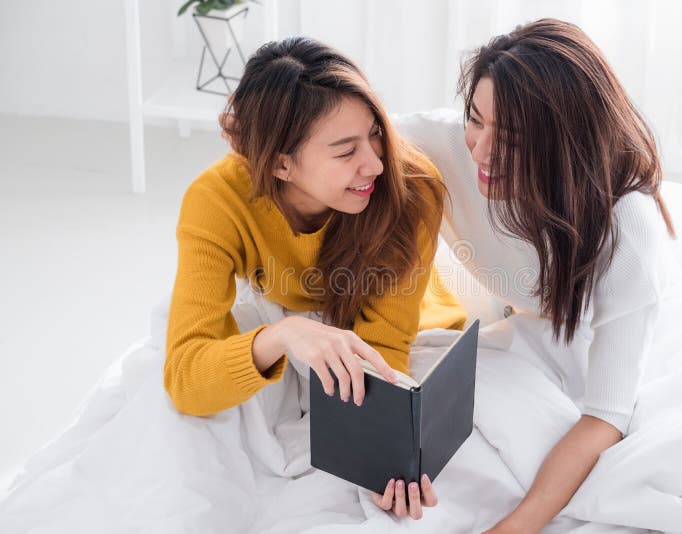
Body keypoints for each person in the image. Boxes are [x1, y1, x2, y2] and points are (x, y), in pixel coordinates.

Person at [169, 36, 465, 520]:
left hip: (403, 329)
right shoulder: (216, 201)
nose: (374, 162)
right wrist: (284, 335)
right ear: (282, 163)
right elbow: (185, 376)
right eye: (346, 151)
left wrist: (381, 457)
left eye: (374, 134)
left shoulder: (412, 190)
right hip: (287, 326)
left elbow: (384, 344)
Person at [444, 18, 682, 532]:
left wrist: (514, 526)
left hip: (600, 348)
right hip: (530, 324)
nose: (481, 151)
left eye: (509, 136)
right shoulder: (448, 143)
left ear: (566, 139)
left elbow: (607, 415)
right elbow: (346, 125)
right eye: (474, 118)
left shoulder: (628, 231)